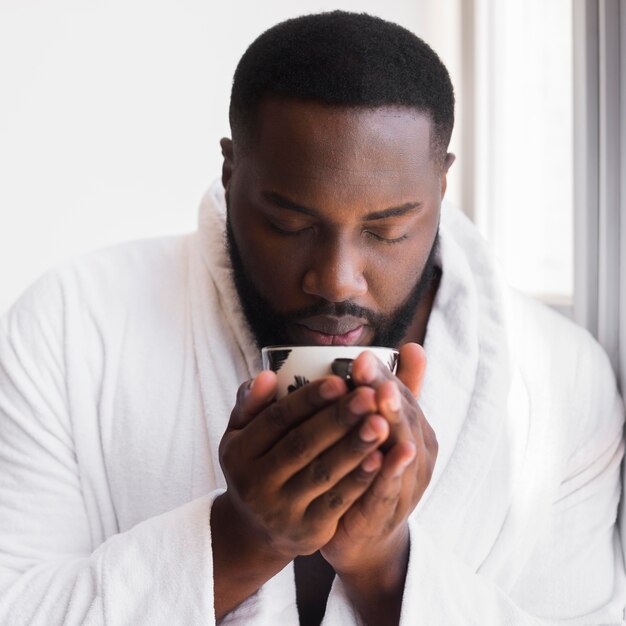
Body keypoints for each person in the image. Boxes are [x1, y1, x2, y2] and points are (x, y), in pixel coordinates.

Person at [0, 10, 623, 626]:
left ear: (441, 184)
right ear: (230, 170)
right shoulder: (69, 328)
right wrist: (243, 542)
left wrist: (385, 569)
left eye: (388, 231)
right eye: (290, 225)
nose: (334, 279)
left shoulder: (560, 385)